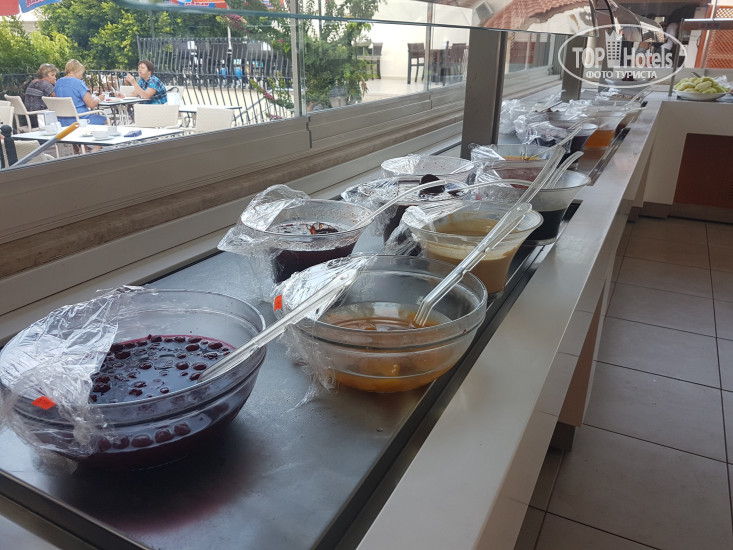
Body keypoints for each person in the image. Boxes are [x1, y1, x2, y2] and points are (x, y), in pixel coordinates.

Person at [53, 59, 107, 126]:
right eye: (81, 73)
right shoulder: (78, 83)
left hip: (62, 121)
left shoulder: (58, 83)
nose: (81, 76)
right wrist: (99, 98)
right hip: (81, 119)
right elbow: (92, 104)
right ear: (77, 71)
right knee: (107, 120)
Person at [23, 63, 58, 127]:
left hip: (29, 118)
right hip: (40, 119)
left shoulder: (33, 82)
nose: (55, 78)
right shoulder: (46, 84)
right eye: (52, 75)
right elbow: (58, 99)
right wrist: (56, 85)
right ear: (45, 75)